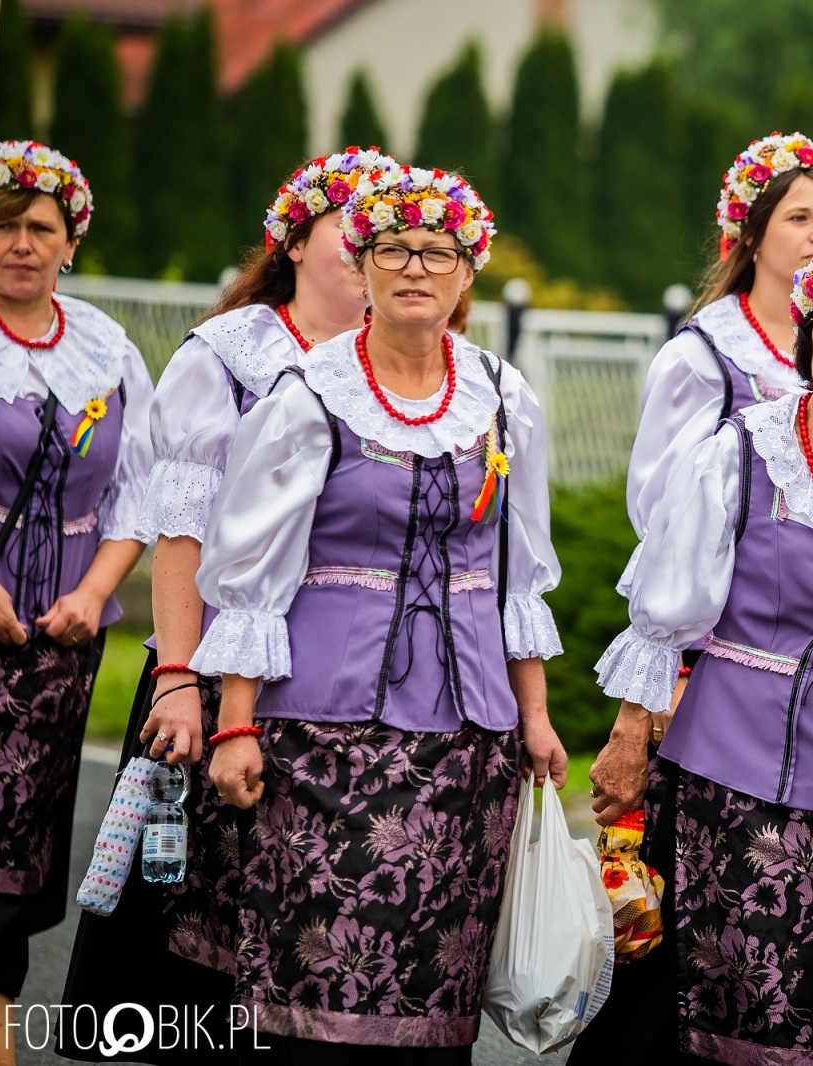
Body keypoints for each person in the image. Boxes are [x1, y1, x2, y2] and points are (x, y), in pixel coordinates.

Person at [186, 164, 567, 1057]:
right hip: (324, 736)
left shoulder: (502, 395)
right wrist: (234, 725)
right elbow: (253, 570)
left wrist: (537, 715)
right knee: (318, 968)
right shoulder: (310, 392)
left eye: (437, 251)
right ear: (361, 266)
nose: (415, 268)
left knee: (436, 986)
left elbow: (517, 574)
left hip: (468, 741)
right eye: (393, 249)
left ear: (467, 271)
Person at [577, 241, 813, 1064]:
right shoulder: (741, 449)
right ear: (807, 338)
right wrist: (629, 736)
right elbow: (668, 607)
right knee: (729, 981)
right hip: (733, 766)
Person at [55, 147, 399, 1064]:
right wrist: (176, 678)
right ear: (294, 241)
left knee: (311, 926)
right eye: (350, 232)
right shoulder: (233, 354)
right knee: (188, 931)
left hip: (334, 681)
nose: (368, 252)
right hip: (211, 669)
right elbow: (182, 530)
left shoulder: (398, 367)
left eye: (385, 237)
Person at [0, 140, 153, 1064]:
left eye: (39, 228)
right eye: (4, 226)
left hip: (58, 641)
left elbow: (141, 489)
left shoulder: (106, 348)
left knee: (17, 853)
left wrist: (95, 594)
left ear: (70, 241)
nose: (21, 243)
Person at [625, 132, 813, 583]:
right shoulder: (703, 356)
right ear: (751, 236)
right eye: (799, 217)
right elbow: (661, 508)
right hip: (741, 603)